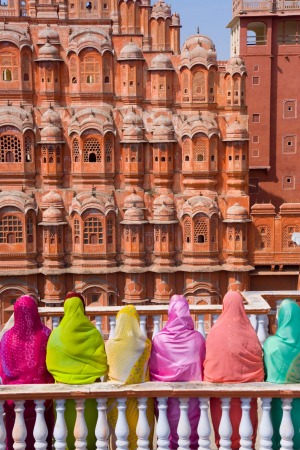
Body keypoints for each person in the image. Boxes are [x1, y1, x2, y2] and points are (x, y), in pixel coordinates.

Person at [46, 291, 107, 450]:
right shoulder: (94, 334)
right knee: (91, 438)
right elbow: (102, 363)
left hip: (63, 398)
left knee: (65, 438)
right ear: (83, 309)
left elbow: (50, 364)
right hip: (91, 397)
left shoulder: (56, 336)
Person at [204, 291, 264, 449]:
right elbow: (259, 366)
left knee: (224, 438)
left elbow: (209, 368)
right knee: (246, 437)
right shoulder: (250, 334)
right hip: (246, 396)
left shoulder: (214, 333)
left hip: (220, 396)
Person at [149, 294, 206, 450]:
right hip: (193, 401)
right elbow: (204, 368)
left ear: (170, 312)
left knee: (167, 438)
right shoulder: (198, 339)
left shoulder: (159, 339)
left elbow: (153, 371)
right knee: (192, 438)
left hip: (166, 401)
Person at [0, 295, 54, 450]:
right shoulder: (46, 334)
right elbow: (52, 365)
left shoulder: (7, 337)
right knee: (41, 442)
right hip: (41, 401)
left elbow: (3, 370)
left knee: (17, 441)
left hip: (14, 401)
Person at [105, 305, 154, 450]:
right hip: (142, 403)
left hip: (116, 402)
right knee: (142, 439)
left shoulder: (110, 346)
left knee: (120, 438)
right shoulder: (145, 345)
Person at [263, 299, 300, 449]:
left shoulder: (270, 344)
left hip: (276, 402)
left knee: (277, 438)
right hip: (297, 402)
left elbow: (264, 373)